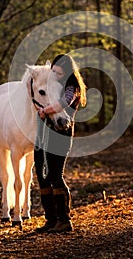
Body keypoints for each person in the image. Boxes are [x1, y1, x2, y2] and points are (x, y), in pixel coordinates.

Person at [34, 54, 87, 233]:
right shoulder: (51, 84)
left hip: (60, 135)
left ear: (67, 72)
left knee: (55, 175)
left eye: (58, 71)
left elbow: (63, 103)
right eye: (53, 70)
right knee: (42, 177)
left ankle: (64, 220)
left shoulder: (72, 87)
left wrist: (45, 111)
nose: (54, 73)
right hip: (42, 134)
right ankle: (51, 219)